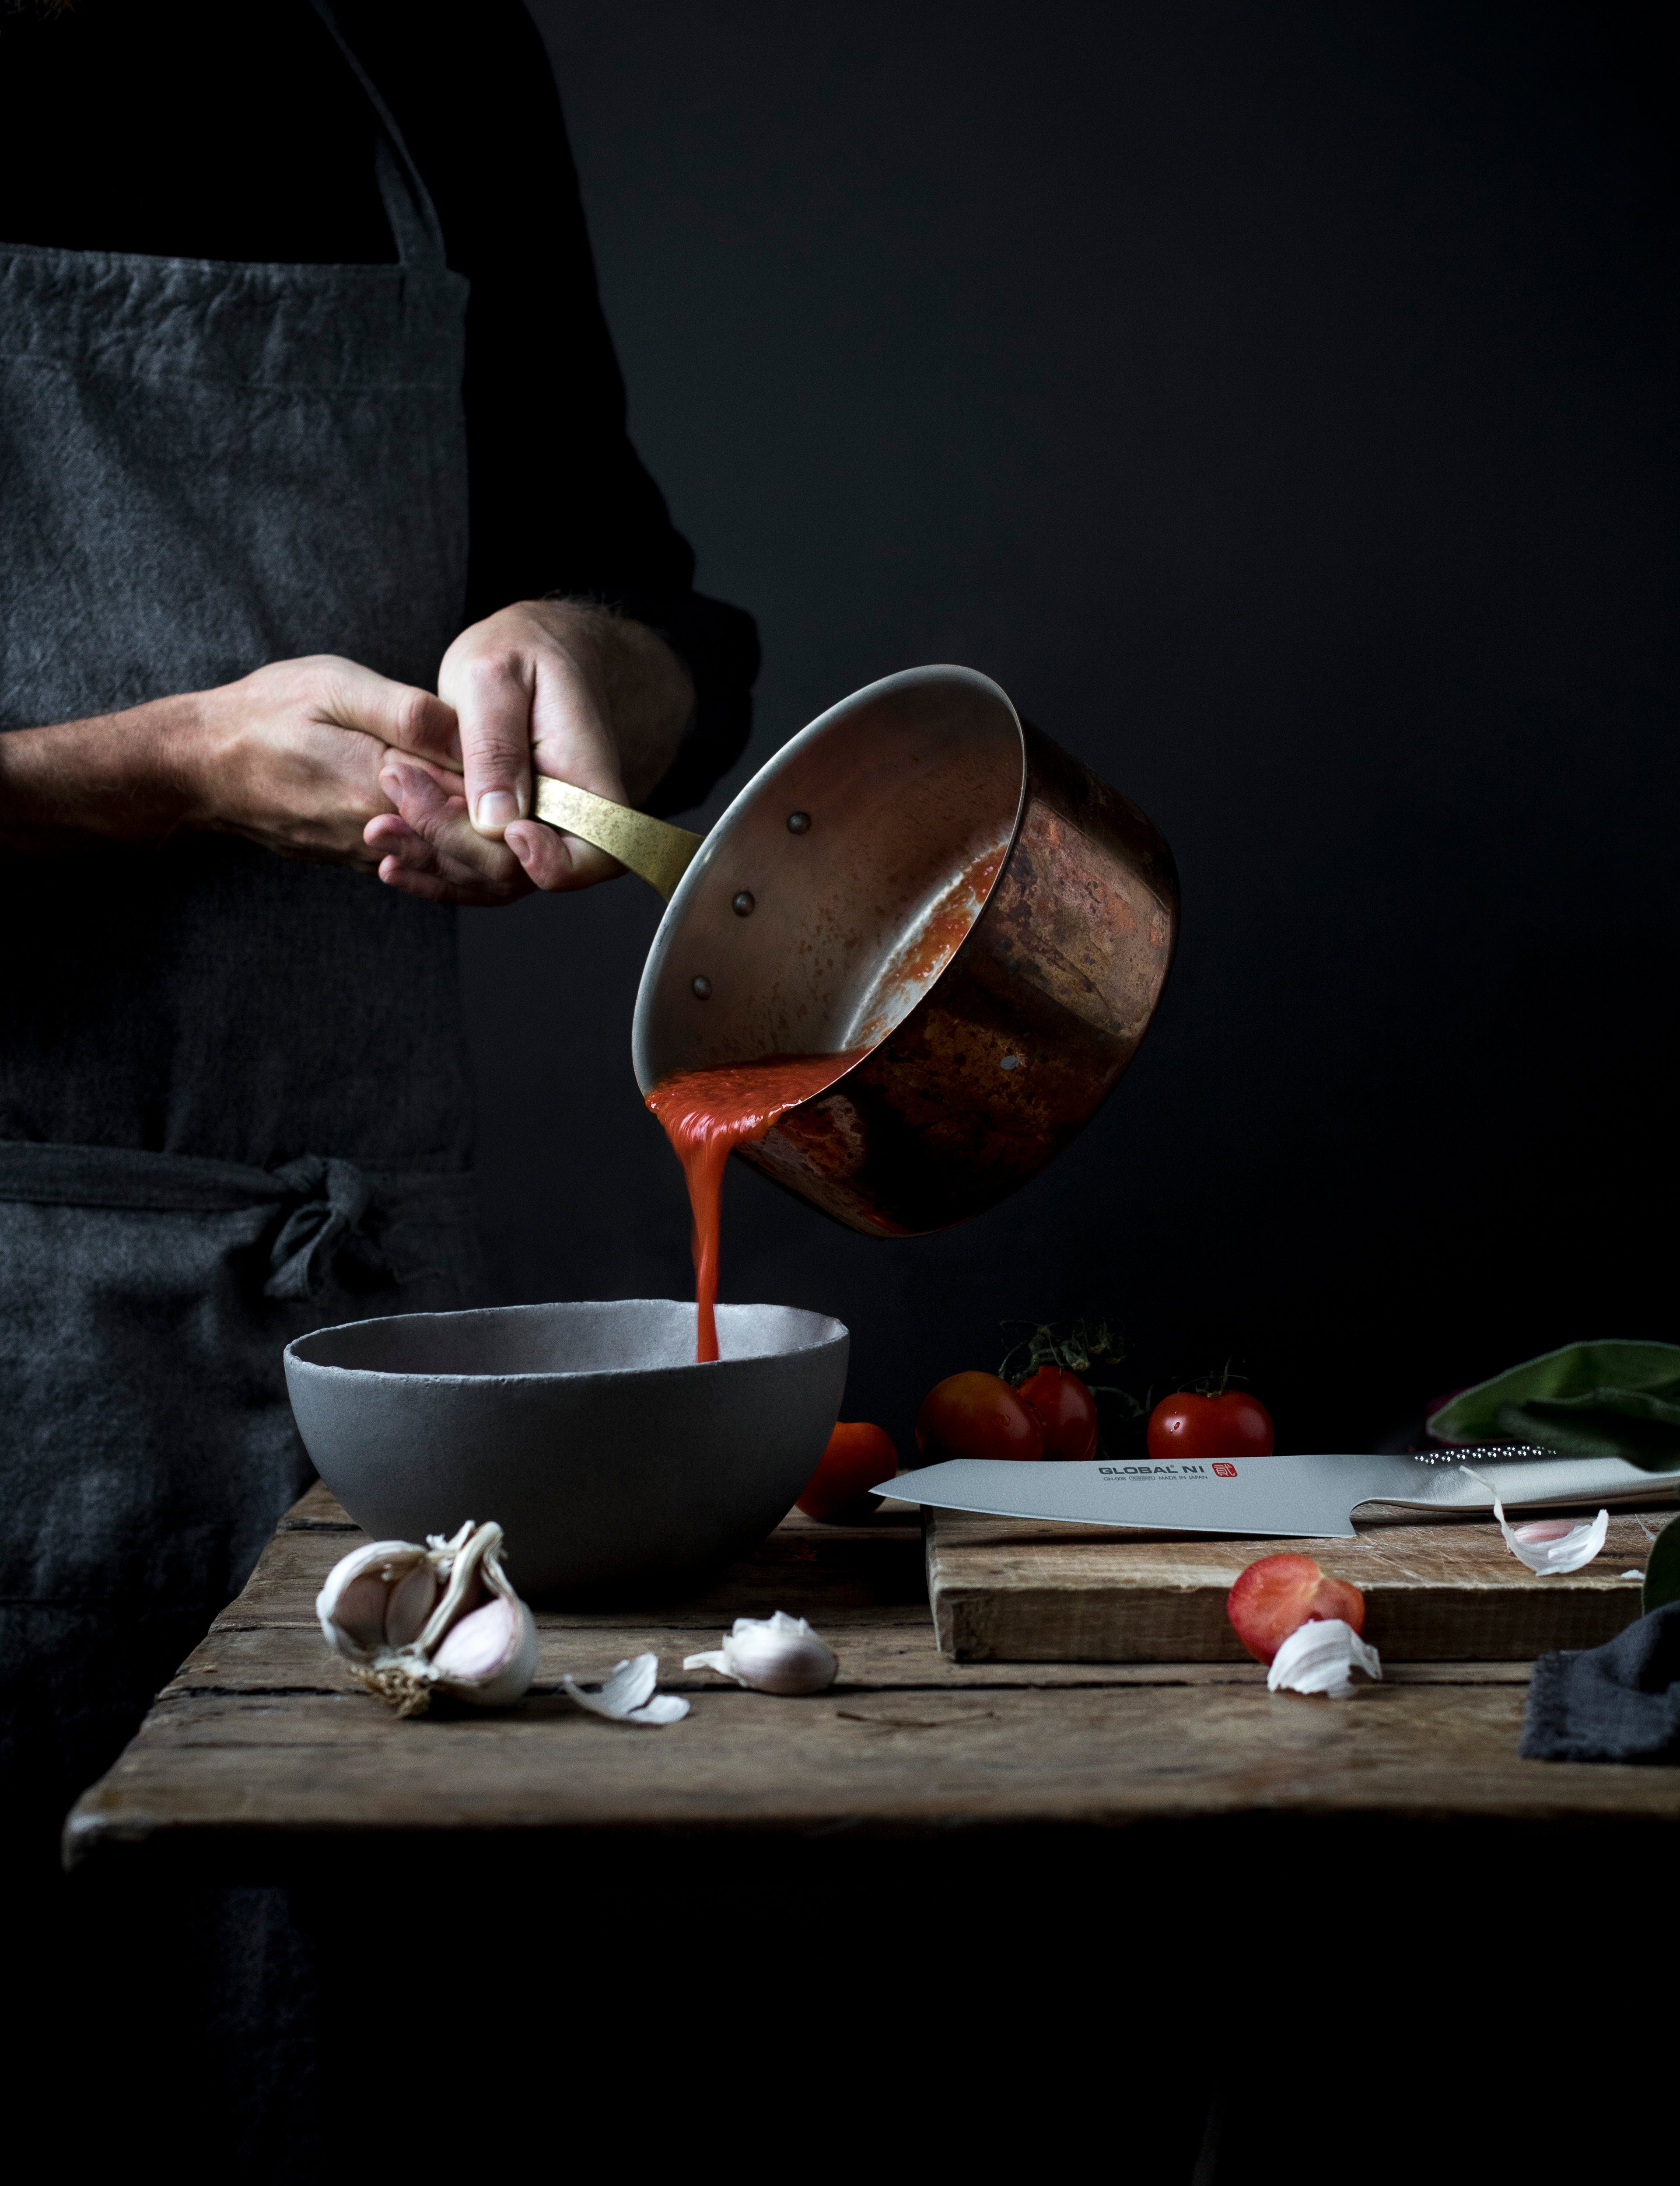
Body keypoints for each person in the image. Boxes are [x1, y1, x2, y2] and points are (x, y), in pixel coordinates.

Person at [0, 0, 758, 1860]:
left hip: (362, 1352)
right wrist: (165, 764)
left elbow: (644, 601)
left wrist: (591, 662)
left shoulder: (420, 45)